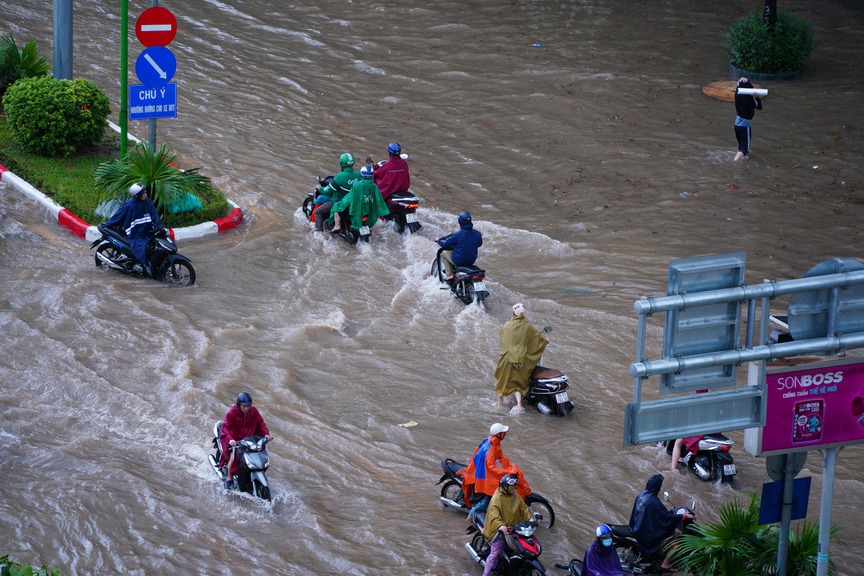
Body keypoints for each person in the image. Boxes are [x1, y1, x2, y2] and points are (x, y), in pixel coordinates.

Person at [628, 474, 694, 571]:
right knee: (677, 544)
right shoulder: (654, 501)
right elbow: (667, 518)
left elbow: (656, 514)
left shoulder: (642, 494)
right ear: (658, 487)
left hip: (638, 527)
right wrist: (684, 516)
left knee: (674, 531)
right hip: (647, 534)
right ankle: (665, 564)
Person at [494, 303, 548, 413]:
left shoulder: (506, 325)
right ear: (523, 314)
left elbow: (502, 338)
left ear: (513, 313)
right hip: (521, 359)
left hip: (507, 358)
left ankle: (499, 406)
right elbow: (537, 340)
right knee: (518, 383)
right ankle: (519, 405)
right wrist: (546, 341)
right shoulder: (527, 327)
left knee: (502, 382)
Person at [481, 473, 535, 576]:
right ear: (505, 488)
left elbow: (524, 508)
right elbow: (494, 514)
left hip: (513, 528)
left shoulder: (516, 496)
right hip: (499, 530)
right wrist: (501, 525)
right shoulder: (497, 498)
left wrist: (532, 519)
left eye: (514, 487)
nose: (514, 489)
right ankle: (486, 574)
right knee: (494, 554)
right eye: (511, 487)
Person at [218, 392, 273, 489]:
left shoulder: (254, 411)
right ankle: (229, 478)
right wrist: (231, 440)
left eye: (248, 406)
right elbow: (226, 427)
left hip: (250, 438)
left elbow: (261, 423)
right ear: (239, 404)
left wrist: (266, 434)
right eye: (244, 406)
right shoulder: (232, 413)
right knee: (233, 457)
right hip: (235, 439)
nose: (246, 408)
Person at [103, 183, 162, 271]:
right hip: (136, 234)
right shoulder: (129, 205)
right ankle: (142, 266)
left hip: (147, 230)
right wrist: (107, 224)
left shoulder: (146, 201)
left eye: (145, 192)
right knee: (140, 248)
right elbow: (118, 216)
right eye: (144, 193)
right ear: (138, 195)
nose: (146, 194)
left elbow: (153, 213)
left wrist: (158, 225)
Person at [331, 164, 390, 234]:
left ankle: (337, 227)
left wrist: (341, 204)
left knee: (336, 206)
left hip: (357, 210)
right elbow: (378, 199)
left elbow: (350, 198)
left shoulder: (357, 185)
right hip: (368, 211)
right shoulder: (374, 186)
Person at [312, 153, 359, 234]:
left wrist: (320, 188)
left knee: (318, 212)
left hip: (340, 204)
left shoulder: (340, 176)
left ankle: (319, 234)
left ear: (341, 164)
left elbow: (328, 190)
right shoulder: (359, 175)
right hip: (354, 204)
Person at [436, 211, 483, 282]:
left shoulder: (457, 235)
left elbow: (445, 244)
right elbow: (479, 244)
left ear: (460, 223)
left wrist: (439, 241)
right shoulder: (478, 234)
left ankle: (449, 274)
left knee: (443, 253)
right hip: (471, 260)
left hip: (459, 261)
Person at [733, 77, 763, 161]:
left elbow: (738, 86)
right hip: (744, 124)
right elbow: (759, 106)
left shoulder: (737, 94)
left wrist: (740, 80)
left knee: (741, 145)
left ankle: (741, 161)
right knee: (745, 148)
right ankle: (734, 162)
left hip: (737, 122)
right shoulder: (750, 97)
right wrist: (756, 97)